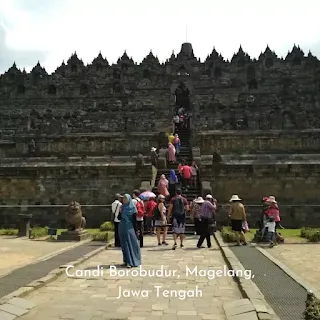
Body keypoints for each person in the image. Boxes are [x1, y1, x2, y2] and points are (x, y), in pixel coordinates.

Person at [118, 194, 141, 268]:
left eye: (126, 199)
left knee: (130, 244)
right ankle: (126, 260)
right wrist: (120, 211)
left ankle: (131, 261)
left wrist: (136, 229)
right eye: (123, 199)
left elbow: (134, 221)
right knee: (124, 244)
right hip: (122, 226)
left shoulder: (133, 208)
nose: (124, 200)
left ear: (129, 199)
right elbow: (119, 218)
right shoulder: (122, 207)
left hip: (129, 227)